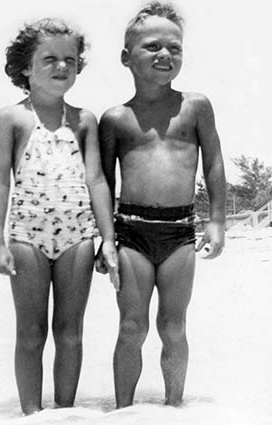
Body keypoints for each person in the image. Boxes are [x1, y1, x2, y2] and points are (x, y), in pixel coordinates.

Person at [97, 1, 226, 408]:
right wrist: (104, 239)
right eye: (152, 46)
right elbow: (101, 181)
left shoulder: (195, 107)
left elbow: (215, 162)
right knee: (131, 327)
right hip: (131, 233)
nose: (165, 54)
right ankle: (122, 412)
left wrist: (217, 220)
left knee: (173, 326)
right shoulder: (115, 119)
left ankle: (175, 409)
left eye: (175, 47)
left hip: (179, 233)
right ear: (126, 57)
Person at [0, 18, 119, 415]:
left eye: (71, 60)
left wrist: (108, 241)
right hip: (27, 235)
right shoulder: (11, 118)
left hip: (78, 235)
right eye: (50, 59)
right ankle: (30, 415)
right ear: (26, 67)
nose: (62, 67)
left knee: (70, 331)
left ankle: (65, 413)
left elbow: (96, 180)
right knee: (30, 332)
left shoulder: (84, 120)